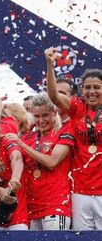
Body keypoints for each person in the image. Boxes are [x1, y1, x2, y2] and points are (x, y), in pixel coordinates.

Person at [45, 46, 102, 230]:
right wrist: (50, 64)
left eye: (97, 88)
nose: (91, 92)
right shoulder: (77, 108)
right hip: (80, 190)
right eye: (87, 88)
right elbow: (54, 96)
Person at [6, 94, 73, 230]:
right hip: (32, 207)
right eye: (37, 116)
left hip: (55, 205)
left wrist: (22, 145)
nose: (41, 120)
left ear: (54, 113)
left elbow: (52, 162)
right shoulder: (27, 136)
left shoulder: (64, 132)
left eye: (45, 115)